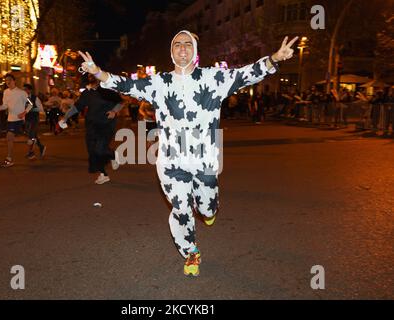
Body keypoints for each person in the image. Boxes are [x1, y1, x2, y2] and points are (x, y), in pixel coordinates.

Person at [78, 30, 297, 276]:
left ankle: (208, 210)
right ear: (171, 53)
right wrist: (97, 72)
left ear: (194, 50)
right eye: (177, 45)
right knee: (181, 207)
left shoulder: (214, 78)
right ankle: (191, 251)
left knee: (207, 207)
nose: (182, 48)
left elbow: (246, 74)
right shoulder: (158, 83)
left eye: (187, 44)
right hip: (171, 160)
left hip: (204, 159)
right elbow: (126, 85)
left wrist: (275, 58)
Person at [58, 75, 122, 184]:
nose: (92, 81)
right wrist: (65, 118)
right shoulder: (87, 93)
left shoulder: (108, 90)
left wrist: (114, 111)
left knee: (100, 149)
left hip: (106, 124)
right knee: (92, 151)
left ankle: (113, 155)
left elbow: (120, 102)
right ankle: (103, 174)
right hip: (92, 125)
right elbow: (76, 107)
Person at [0, 73, 32, 167]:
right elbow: (5, 105)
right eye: (6, 80)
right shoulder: (5, 92)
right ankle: (30, 141)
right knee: (10, 138)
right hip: (10, 119)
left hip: (19, 119)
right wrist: (0, 107)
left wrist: (24, 113)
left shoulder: (22, 92)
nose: (7, 82)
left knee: (10, 137)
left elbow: (31, 104)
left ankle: (10, 158)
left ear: (14, 81)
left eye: (9, 80)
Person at [23, 84, 47, 160]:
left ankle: (31, 153)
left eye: (26, 89)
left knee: (31, 136)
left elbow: (40, 109)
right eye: (24, 89)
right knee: (33, 135)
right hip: (27, 120)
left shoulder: (35, 98)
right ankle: (41, 147)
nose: (24, 91)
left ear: (30, 90)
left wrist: (30, 110)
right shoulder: (23, 98)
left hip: (34, 119)